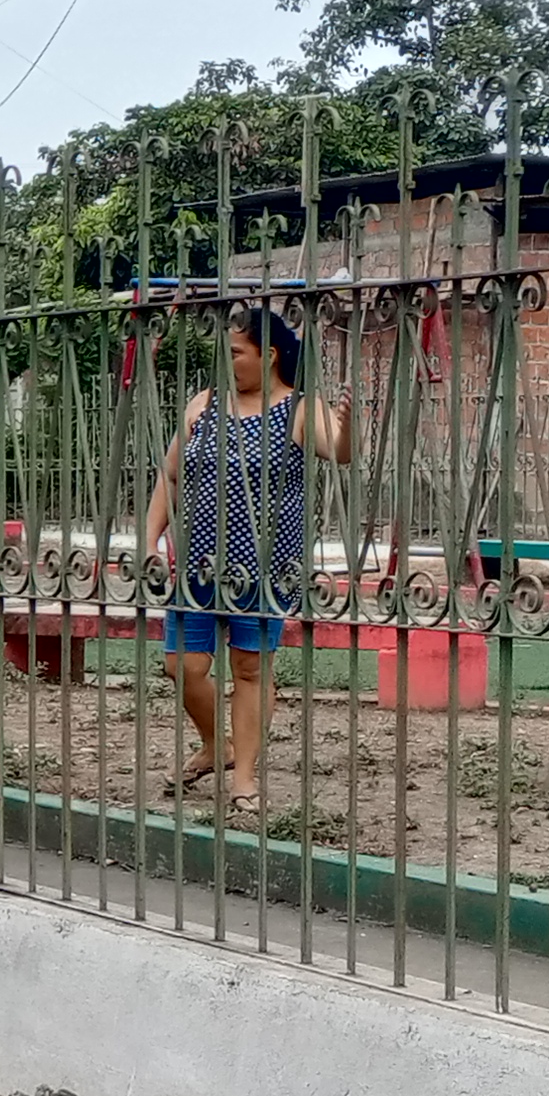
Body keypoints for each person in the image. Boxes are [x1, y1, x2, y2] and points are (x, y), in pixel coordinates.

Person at [138, 303, 349, 808]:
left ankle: (245, 778)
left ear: (267, 355)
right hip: (199, 563)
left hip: (264, 568)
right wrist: (149, 540)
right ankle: (218, 745)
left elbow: (340, 452)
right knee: (181, 666)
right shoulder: (205, 403)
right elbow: (171, 475)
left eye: (235, 352)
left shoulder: (299, 408)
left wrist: (350, 425)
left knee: (250, 669)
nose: (226, 361)